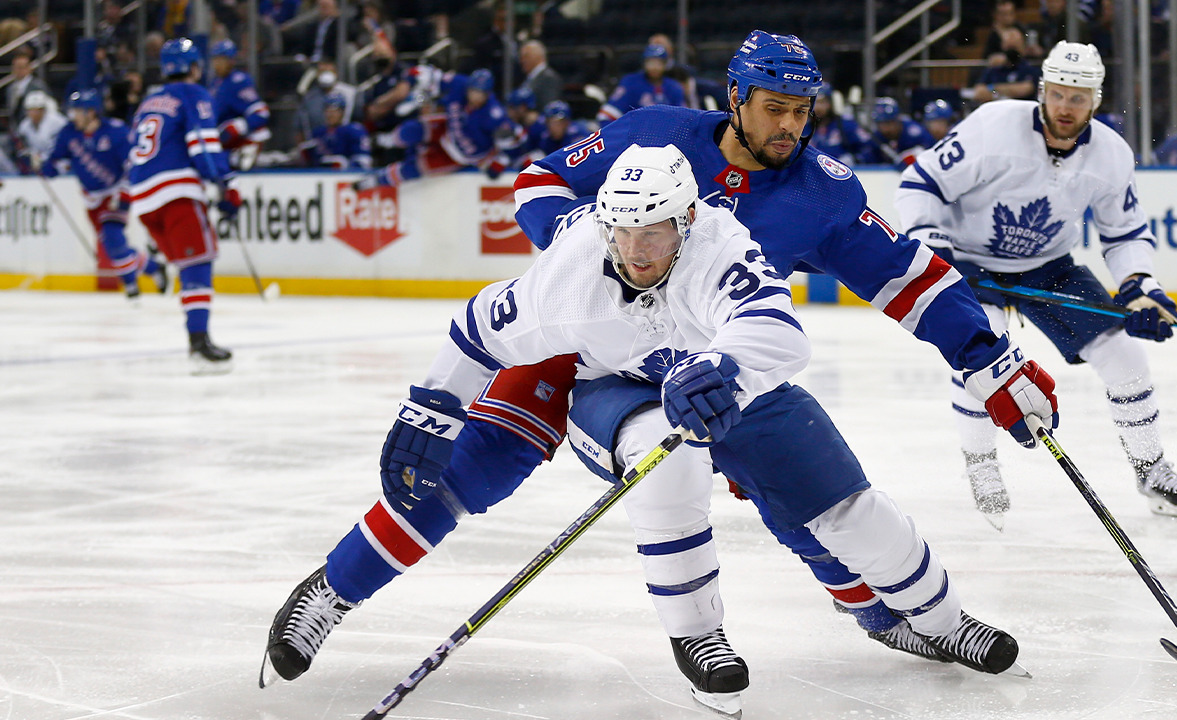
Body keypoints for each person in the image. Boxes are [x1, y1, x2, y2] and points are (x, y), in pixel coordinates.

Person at [262, 30, 1061, 707]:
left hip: (714, 361)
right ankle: (332, 591)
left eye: (802, 110)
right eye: (774, 108)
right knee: (469, 467)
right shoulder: (653, 134)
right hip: (592, 333)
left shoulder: (820, 194)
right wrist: (590, 246)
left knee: (794, 470)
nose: (791, 126)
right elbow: (540, 179)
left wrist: (985, 358)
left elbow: (908, 279)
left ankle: (879, 607)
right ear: (736, 98)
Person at [895, 41, 1177, 528]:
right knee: (979, 356)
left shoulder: (1111, 155)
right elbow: (920, 185)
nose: (1066, 107)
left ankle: (1151, 471)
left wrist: (1140, 283)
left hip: (1049, 267)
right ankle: (980, 463)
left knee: (1127, 360)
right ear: (1043, 90)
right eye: (1058, 94)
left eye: (1078, 98)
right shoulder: (991, 126)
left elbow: (1124, 232)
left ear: (1096, 101)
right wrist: (935, 246)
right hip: (970, 265)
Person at [125, 38, 242, 374]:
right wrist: (225, 184)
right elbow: (203, 145)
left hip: (144, 199)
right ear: (194, 67)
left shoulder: (149, 101)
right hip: (175, 192)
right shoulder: (194, 94)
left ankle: (196, 336)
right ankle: (199, 341)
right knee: (199, 263)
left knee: (188, 265)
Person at [41, 88, 168, 300]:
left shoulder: (116, 132)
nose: (73, 116)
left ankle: (130, 285)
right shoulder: (69, 133)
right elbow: (58, 161)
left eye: (78, 111)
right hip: (90, 196)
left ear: (91, 112)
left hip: (115, 191)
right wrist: (45, 166)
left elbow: (132, 164)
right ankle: (152, 267)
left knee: (112, 235)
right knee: (111, 246)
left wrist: (126, 195)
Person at [357, 68, 518, 186]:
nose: (473, 96)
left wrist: (498, 164)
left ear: (488, 94)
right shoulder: (459, 84)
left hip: (460, 155)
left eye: (479, 93)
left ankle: (377, 180)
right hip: (448, 129)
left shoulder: (495, 115)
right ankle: (385, 140)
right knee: (413, 130)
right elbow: (430, 75)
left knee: (416, 167)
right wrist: (412, 78)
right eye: (472, 90)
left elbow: (511, 143)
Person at [209, 40, 272, 170]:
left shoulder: (238, 81)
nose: (217, 64)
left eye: (221, 60)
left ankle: (240, 156)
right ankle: (234, 157)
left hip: (235, 141)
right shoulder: (215, 83)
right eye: (215, 60)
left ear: (231, 61)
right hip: (218, 137)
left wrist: (240, 126)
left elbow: (261, 112)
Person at [596, 43, 687, 125]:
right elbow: (607, 115)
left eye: (658, 63)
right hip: (634, 135)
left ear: (665, 64)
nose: (654, 67)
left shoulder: (674, 86)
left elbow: (683, 118)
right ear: (644, 63)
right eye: (650, 62)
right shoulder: (631, 82)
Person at [301, 93, 372, 170]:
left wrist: (346, 165)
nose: (330, 114)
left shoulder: (354, 130)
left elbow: (364, 161)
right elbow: (311, 162)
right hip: (320, 176)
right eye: (327, 110)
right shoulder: (318, 132)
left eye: (334, 110)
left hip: (344, 177)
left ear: (342, 112)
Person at [971, 28, 1040, 105]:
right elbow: (978, 93)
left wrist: (992, 89)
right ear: (1002, 46)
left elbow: (1025, 89)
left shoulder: (1030, 68)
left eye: (1014, 48)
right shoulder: (994, 69)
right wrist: (1008, 91)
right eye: (1009, 48)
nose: (1011, 53)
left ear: (1023, 47)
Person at [810, 83, 873, 165]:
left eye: (822, 102)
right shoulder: (803, 128)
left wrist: (854, 159)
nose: (818, 107)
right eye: (815, 103)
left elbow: (869, 149)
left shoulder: (846, 125)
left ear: (831, 103)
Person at [865, 96, 932, 167]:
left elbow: (930, 151)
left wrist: (915, 154)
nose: (885, 128)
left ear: (897, 120)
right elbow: (867, 162)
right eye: (880, 124)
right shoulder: (876, 137)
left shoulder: (914, 132)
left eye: (888, 123)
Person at [14, 90, 67, 173]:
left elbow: (62, 146)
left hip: (59, 160)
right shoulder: (24, 125)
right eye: (30, 110)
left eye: (37, 109)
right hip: (37, 162)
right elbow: (22, 147)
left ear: (43, 109)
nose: (33, 113)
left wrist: (42, 157)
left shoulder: (58, 122)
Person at [518, 40, 563, 112]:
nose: (522, 61)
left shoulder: (549, 78)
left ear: (538, 56)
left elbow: (549, 109)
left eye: (526, 56)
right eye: (521, 57)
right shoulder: (530, 78)